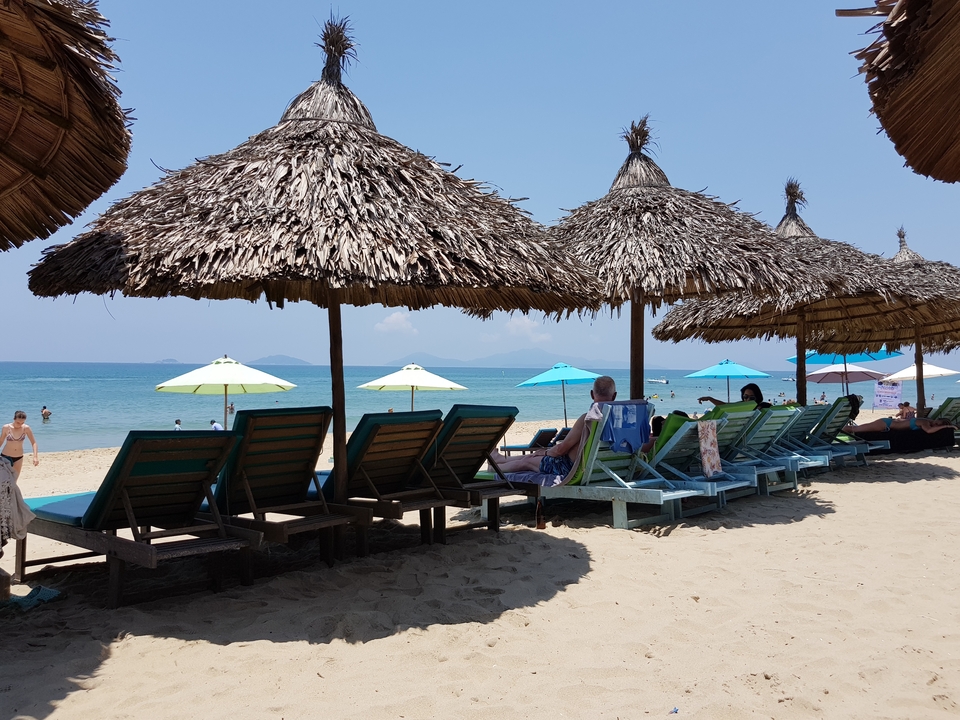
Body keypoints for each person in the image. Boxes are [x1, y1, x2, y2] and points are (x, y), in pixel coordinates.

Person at [489, 376, 617, 476]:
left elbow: (561, 450)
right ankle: (500, 459)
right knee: (534, 455)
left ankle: (495, 468)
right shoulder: (620, 420)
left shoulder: (588, 419)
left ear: (591, 394)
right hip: (603, 467)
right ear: (614, 396)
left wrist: (545, 452)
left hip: (569, 467)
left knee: (527, 461)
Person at [1, 410, 39, 480]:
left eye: (22, 423)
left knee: (14, 480)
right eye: (18, 422)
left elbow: (34, 443)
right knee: (4, 480)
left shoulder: (26, 428)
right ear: (14, 419)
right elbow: (1, 441)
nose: (20, 425)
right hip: (5, 456)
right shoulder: (6, 427)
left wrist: (35, 457)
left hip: (18, 457)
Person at [844, 416, 955, 434]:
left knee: (857, 428)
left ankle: (838, 429)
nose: (936, 425)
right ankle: (836, 429)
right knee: (856, 429)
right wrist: (947, 427)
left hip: (887, 423)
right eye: (937, 423)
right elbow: (928, 431)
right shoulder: (925, 422)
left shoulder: (927, 421)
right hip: (886, 424)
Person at [698, 383, 771, 409]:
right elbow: (726, 406)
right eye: (745, 397)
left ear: (757, 397)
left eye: (751, 398)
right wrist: (710, 399)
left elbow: (725, 406)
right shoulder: (742, 405)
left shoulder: (761, 407)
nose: (748, 400)